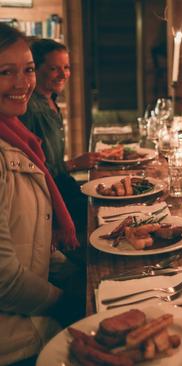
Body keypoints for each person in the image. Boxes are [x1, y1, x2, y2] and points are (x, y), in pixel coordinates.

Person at [0, 24, 83, 364]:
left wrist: (78, 276)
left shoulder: (17, 138)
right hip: (17, 345)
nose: (22, 84)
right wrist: (70, 304)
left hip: (32, 321)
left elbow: (30, 240)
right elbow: (5, 280)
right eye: (6, 72)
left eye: (28, 69)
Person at [19, 38, 100, 236]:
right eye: (55, 68)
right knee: (100, 214)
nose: (64, 74)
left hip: (61, 184)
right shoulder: (32, 110)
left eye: (67, 67)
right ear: (35, 69)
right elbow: (31, 172)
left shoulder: (51, 101)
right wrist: (72, 164)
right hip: (47, 197)